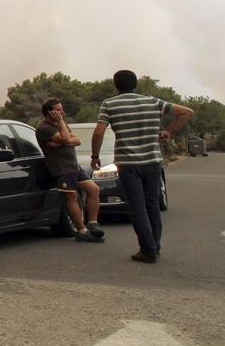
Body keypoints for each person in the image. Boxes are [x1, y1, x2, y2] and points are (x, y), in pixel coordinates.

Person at [91, 69, 194, 264]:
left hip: (128, 164)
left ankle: (148, 250)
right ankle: (154, 246)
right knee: (152, 205)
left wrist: (95, 155)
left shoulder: (109, 104)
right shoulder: (152, 102)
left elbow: (98, 132)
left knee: (137, 208)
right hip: (152, 161)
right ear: (135, 84)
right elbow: (187, 112)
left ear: (115, 85)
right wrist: (168, 131)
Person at [35, 98, 104, 243]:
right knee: (71, 197)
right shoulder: (44, 128)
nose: (62, 112)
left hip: (74, 166)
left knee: (94, 190)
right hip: (62, 169)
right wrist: (63, 131)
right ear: (50, 113)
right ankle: (82, 231)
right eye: (59, 110)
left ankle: (92, 223)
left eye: (62, 109)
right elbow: (66, 138)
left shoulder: (62, 124)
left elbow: (76, 139)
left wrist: (62, 139)